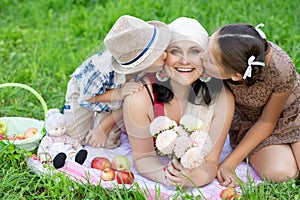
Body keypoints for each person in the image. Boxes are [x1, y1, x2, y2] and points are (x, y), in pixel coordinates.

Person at [123, 17, 234, 186]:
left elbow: (211, 161)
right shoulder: (140, 98)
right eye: (175, 51)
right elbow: (143, 156)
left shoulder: (222, 98)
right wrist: (168, 177)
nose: (184, 60)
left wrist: (197, 178)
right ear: (163, 56)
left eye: (195, 51)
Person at [201, 23, 300, 187]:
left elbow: (268, 121)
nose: (202, 57)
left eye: (209, 59)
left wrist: (228, 164)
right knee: (281, 172)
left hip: (292, 115)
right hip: (251, 121)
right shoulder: (222, 49)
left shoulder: (282, 70)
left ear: (236, 76)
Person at [63, 15, 171, 148]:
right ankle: (64, 119)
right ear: (141, 64)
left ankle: (99, 121)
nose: (165, 55)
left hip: (114, 103)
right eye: (158, 53)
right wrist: (119, 93)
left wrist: (103, 129)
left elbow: (127, 102)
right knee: (73, 137)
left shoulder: (151, 71)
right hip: (85, 96)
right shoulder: (101, 71)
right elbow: (88, 97)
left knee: (109, 144)